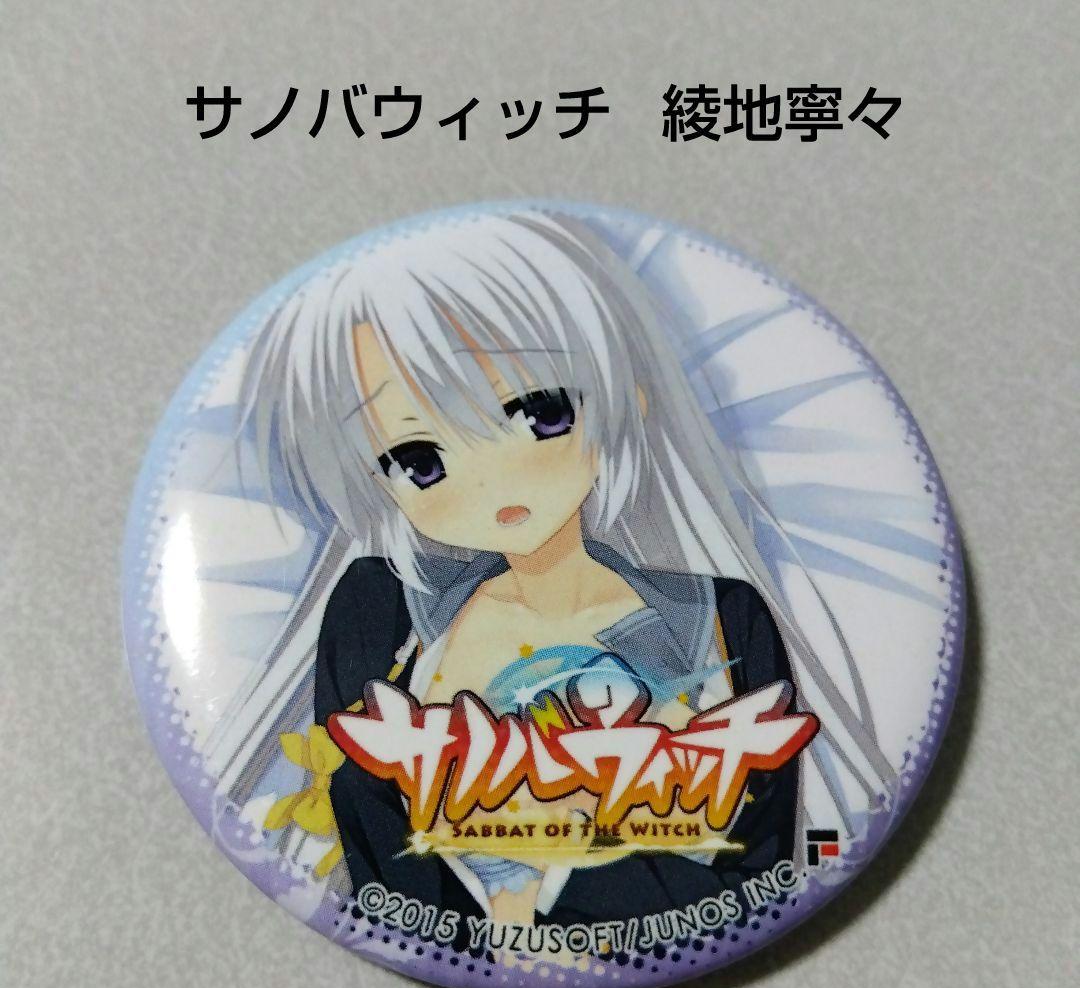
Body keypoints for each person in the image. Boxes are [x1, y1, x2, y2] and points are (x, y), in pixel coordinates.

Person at [230, 207, 896, 928]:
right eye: (420, 460)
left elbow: (756, 879)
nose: (493, 480)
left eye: (537, 414)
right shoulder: (379, 614)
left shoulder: (721, 622)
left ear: (623, 396)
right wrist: (492, 937)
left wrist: (556, 905)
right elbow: (379, 867)